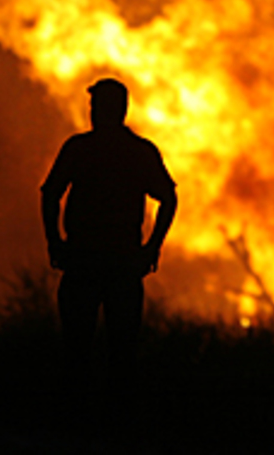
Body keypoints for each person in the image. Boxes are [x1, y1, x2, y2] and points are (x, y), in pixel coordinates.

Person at [41, 77, 177, 370]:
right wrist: (151, 247)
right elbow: (168, 198)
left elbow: (50, 194)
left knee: (77, 351)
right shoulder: (139, 151)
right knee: (122, 352)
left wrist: (54, 241)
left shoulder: (80, 149)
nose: (92, 111)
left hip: (85, 260)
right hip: (121, 262)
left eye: (96, 105)